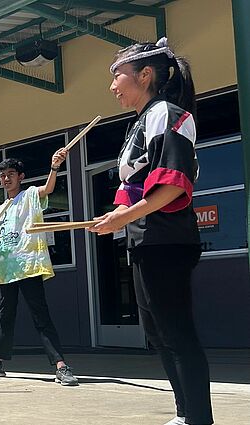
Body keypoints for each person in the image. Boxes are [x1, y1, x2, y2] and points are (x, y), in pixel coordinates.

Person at [90, 38, 211, 425]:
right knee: (157, 333)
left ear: (145, 75)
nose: (112, 86)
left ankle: (198, 418)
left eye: (117, 75)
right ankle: (184, 414)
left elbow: (174, 184)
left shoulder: (167, 113)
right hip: (145, 238)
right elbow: (134, 185)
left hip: (166, 237)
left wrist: (122, 218)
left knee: (176, 332)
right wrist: (118, 214)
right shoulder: (141, 122)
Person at [0, 151, 79, 387]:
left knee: (41, 316)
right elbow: (3, 242)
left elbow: (48, 189)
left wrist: (54, 167)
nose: (6, 178)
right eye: (2, 175)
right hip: (6, 270)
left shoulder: (30, 196)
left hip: (29, 266)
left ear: (21, 176)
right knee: (5, 317)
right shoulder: (0, 210)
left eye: (11, 174)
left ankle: (61, 366)